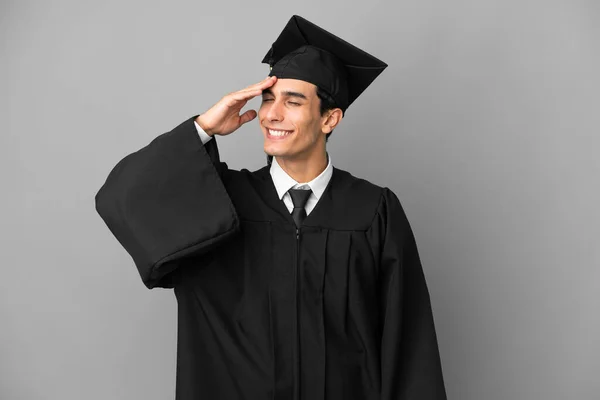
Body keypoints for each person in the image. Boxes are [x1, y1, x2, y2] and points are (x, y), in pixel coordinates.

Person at [95, 15, 446, 400]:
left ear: (330, 118)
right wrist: (202, 128)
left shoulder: (373, 212)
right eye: (267, 99)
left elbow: (409, 349)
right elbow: (123, 197)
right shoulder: (222, 199)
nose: (271, 114)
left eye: (292, 102)